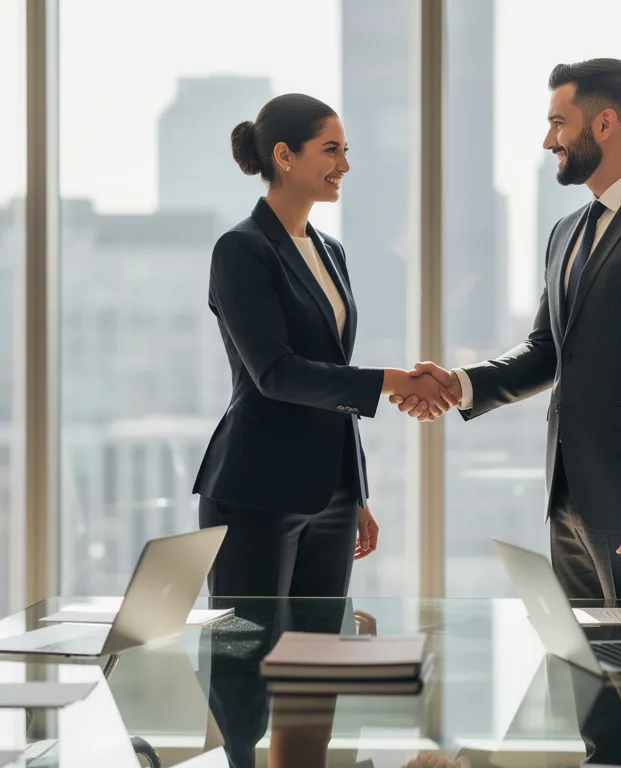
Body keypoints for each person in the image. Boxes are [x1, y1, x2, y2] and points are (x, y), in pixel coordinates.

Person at [394, 59, 621, 602]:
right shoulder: (566, 232)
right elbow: (549, 349)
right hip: (568, 501)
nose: (549, 140)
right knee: (581, 655)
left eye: (558, 123)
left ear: (604, 124)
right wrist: (461, 383)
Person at [192, 93, 458, 601]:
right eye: (331, 150)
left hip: (330, 495)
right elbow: (276, 373)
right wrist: (393, 382)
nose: (345, 165)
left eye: (345, 150)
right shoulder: (241, 249)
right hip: (257, 488)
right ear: (285, 156)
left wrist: (354, 490)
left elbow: (332, 371)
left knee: (321, 647)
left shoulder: (330, 251)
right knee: (250, 648)